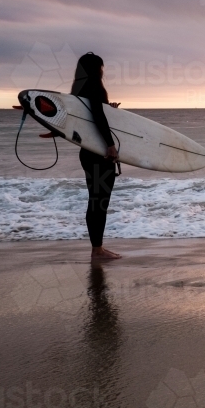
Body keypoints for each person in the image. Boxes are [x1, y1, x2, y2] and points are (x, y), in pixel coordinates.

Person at [71, 52, 122, 260]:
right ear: (96, 69)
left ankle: (97, 249)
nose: (103, 71)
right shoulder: (93, 87)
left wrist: (108, 109)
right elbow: (97, 116)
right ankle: (97, 250)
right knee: (99, 203)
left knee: (96, 201)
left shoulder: (78, 90)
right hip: (99, 155)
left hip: (87, 153)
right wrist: (110, 145)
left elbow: (89, 117)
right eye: (101, 67)